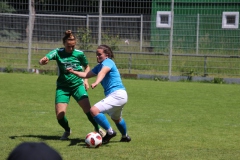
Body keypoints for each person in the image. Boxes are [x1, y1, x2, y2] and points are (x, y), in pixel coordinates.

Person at [39, 30, 105, 140]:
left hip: (77, 85)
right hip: (62, 87)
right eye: (69, 46)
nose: (71, 49)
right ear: (64, 43)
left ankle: (98, 129)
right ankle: (67, 130)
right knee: (60, 115)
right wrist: (43, 61)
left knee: (89, 111)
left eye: (73, 46)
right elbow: (43, 60)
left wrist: (85, 80)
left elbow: (87, 67)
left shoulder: (79, 54)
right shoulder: (57, 52)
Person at [66, 44, 131, 144]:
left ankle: (110, 132)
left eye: (99, 54)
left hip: (117, 94)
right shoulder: (99, 66)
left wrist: (96, 82)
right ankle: (125, 136)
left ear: (107, 55)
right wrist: (73, 72)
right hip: (120, 95)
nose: (97, 56)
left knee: (94, 110)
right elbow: (86, 74)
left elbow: (103, 73)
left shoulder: (108, 62)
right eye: (96, 54)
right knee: (116, 119)